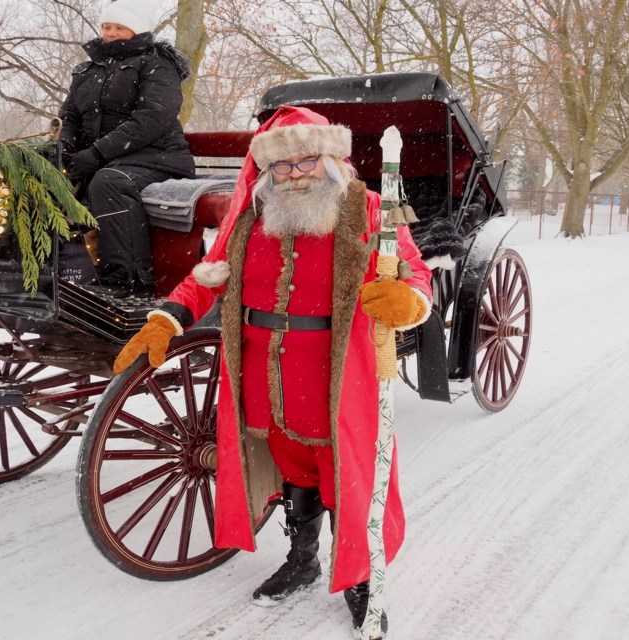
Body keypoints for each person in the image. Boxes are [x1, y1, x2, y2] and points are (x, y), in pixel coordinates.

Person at [113, 106, 433, 638]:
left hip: (336, 372)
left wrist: (408, 299)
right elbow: (207, 279)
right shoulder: (250, 220)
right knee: (294, 468)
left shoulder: (369, 210)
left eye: (306, 161)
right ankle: (302, 559)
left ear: (330, 159)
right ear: (267, 172)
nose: (294, 174)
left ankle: (356, 577)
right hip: (263, 373)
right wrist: (168, 317)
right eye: (281, 167)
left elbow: (413, 271)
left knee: (342, 473)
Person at [58, 0, 195, 298]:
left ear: (138, 30)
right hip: (111, 159)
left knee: (110, 183)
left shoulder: (157, 64)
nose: (110, 33)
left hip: (158, 156)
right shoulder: (87, 70)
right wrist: (64, 149)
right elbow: (70, 116)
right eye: (107, 26)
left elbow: (152, 118)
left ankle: (129, 281)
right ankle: (60, 274)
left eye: (120, 27)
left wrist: (96, 154)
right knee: (52, 180)